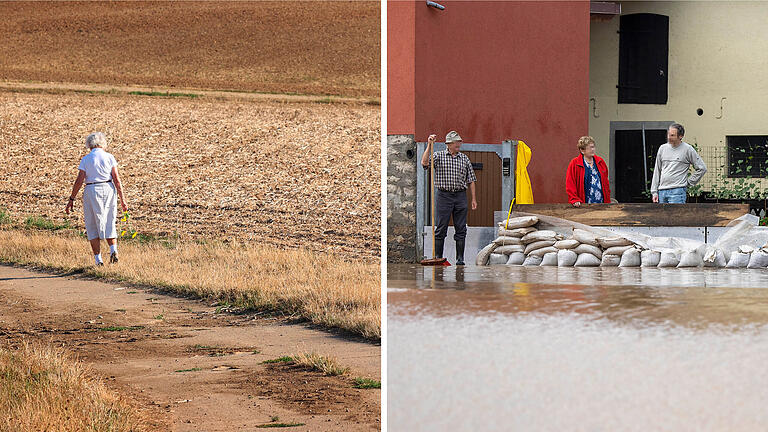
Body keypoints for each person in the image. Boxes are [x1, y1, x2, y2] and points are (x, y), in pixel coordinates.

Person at [65, 132, 128, 266]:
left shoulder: (86, 159)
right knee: (109, 219)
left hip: (91, 189)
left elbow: (79, 181)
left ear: (89, 145)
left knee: (92, 223)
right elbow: (117, 179)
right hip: (108, 188)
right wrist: (122, 199)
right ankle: (113, 250)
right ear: (102, 144)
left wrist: (71, 198)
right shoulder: (109, 157)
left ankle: (98, 260)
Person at [421, 130, 477, 265]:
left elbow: (471, 180)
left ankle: (460, 259)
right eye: (456, 142)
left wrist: (474, 198)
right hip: (443, 195)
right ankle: (439, 257)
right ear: (449, 144)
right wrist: (429, 145)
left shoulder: (464, 158)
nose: (459, 144)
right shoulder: (439, 156)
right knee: (441, 228)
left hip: (460, 195)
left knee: (461, 228)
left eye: (459, 142)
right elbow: (424, 163)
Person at [651, 123, 707, 204]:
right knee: (662, 217)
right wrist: (654, 192)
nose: (669, 137)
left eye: (672, 135)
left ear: (681, 136)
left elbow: (702, 168)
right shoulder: (662, 148)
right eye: (668, 134)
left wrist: (689, 182)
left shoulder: (688, 149)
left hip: (677, 191)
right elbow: (657, 170)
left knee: (676, 216)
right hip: (662, 191)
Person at [566, 136, 611, 207]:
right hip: (584, 203)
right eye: (590, 148)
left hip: (601, 202)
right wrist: (574, 199)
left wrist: (607, 199)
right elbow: (570, 183)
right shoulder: (574, 163)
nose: (593, 149)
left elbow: (606, 182)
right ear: (582, 150)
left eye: (593, 147)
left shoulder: (600, 161)